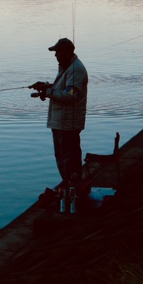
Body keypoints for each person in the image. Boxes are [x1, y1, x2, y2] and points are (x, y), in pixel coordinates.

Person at [30, 37, 88, 187]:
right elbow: (64, 87)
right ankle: (71, 188)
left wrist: (48, 91)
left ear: (68, 52)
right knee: (64, 159)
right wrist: (45, 86)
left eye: (58, 52)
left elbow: (70, 95)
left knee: (67, 160)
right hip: (62, 122)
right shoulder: (67, 67)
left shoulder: (75, 70)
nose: (55, 55)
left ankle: (72, 190)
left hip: (67, 124)